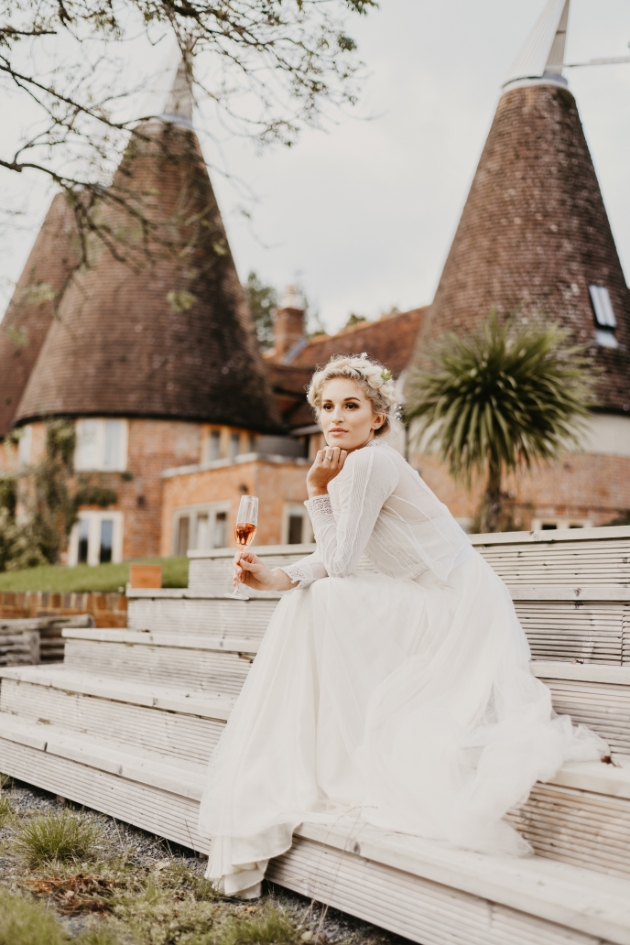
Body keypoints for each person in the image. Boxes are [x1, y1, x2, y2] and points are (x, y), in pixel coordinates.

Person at [198, 354, 605, 898]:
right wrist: (277, 578)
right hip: (423, 594)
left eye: (351, 406)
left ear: (377, 418)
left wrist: (314, 491)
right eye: (327, 406)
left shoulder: (369, 464)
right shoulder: (353, 465)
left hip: (455, 606)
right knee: (312, 599)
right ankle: (318, 753)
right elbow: (344, 558)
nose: (337, 417)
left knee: (324, 600)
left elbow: (341, 565)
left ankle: (315, 755)